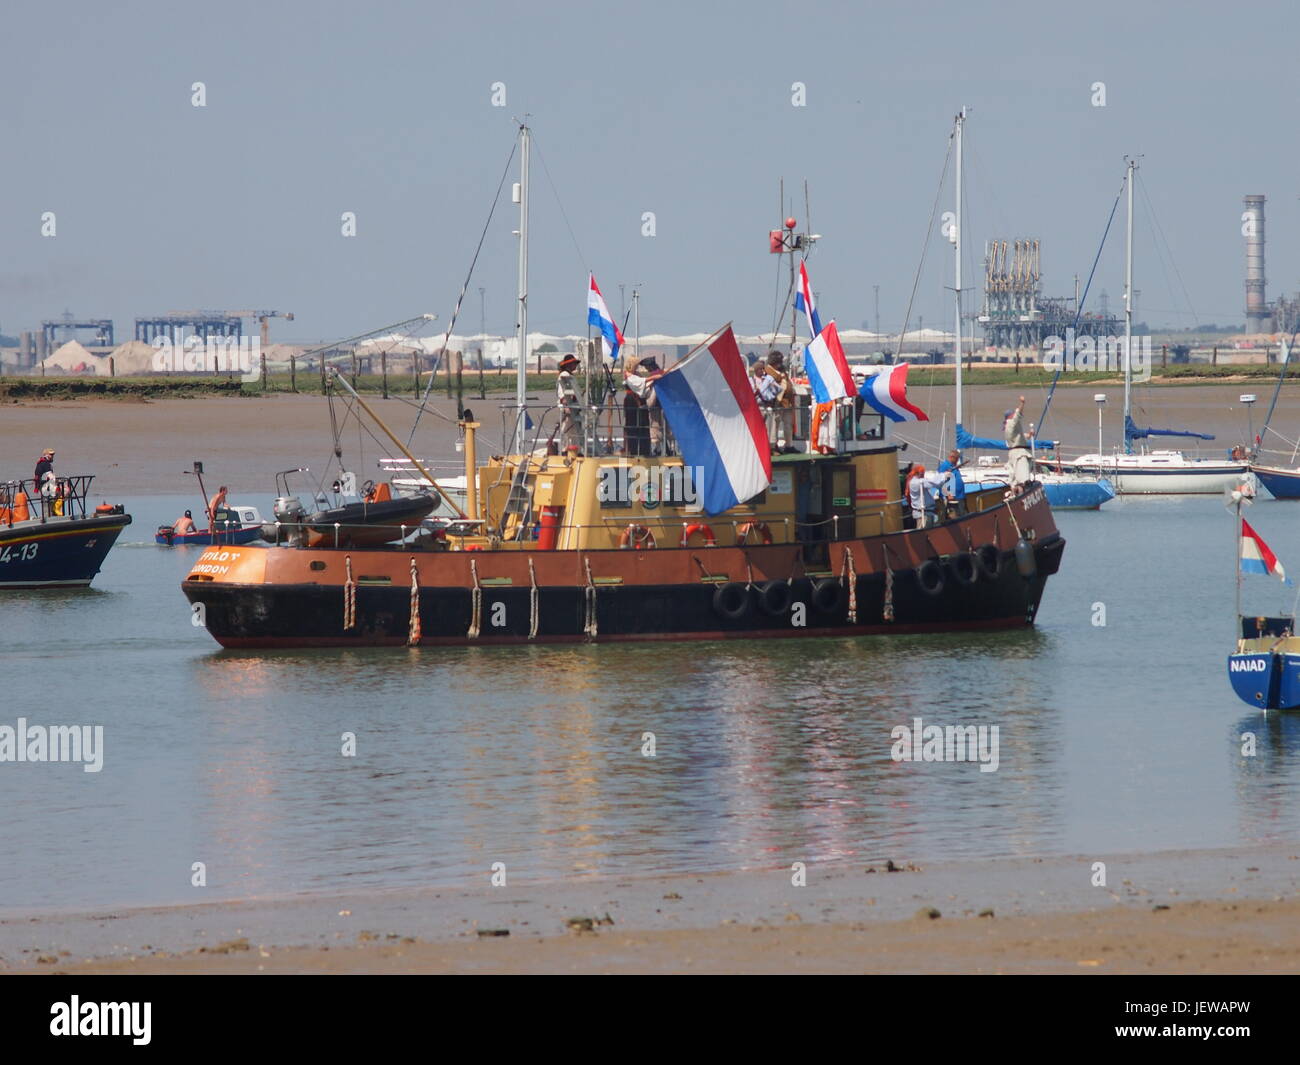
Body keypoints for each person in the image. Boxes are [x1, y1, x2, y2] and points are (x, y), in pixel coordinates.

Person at [623, 358, 663, 457]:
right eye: (636, 365)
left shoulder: (636, 374)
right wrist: (653, 378)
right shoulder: (628, 375)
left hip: (640, 400)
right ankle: (634, 450)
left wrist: (652, 381)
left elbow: (643, 385)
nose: (638, 367)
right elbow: (639, 383)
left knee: (644, 425)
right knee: (633, 425)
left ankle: (645, 449)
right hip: (632, 401)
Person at [556, 354, 583, 453]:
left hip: (573, 407)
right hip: (568, 407)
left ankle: (573, 450)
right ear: (569, 365)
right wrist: (567, 405)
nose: (575, 365)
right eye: (573, 363)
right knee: (567, 430)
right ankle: (565, 451)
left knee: (573, 431)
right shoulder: (564, 375)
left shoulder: (569, 375)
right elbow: (562, 392)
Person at [1004, 396, 1032, 487]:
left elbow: (1020, 436)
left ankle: (1015, 492)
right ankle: (1024, 490)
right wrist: (1022, 403)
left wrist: (1029, 435)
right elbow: (1018, 414)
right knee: (1024, 479)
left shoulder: (1008, 426)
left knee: (1015, 479)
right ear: (1010, 416)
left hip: (1013, 453)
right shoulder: (1011, 422)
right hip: (1019, 454)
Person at [938, 449, 967, 516]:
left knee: (962, 514)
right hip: (952, 499)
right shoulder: (944, 466)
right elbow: (940, 481)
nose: (957, 461)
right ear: (952, 457)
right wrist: (948, 495)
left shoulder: (953, 466)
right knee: (954, 516)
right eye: (957, 459)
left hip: (960, 496)